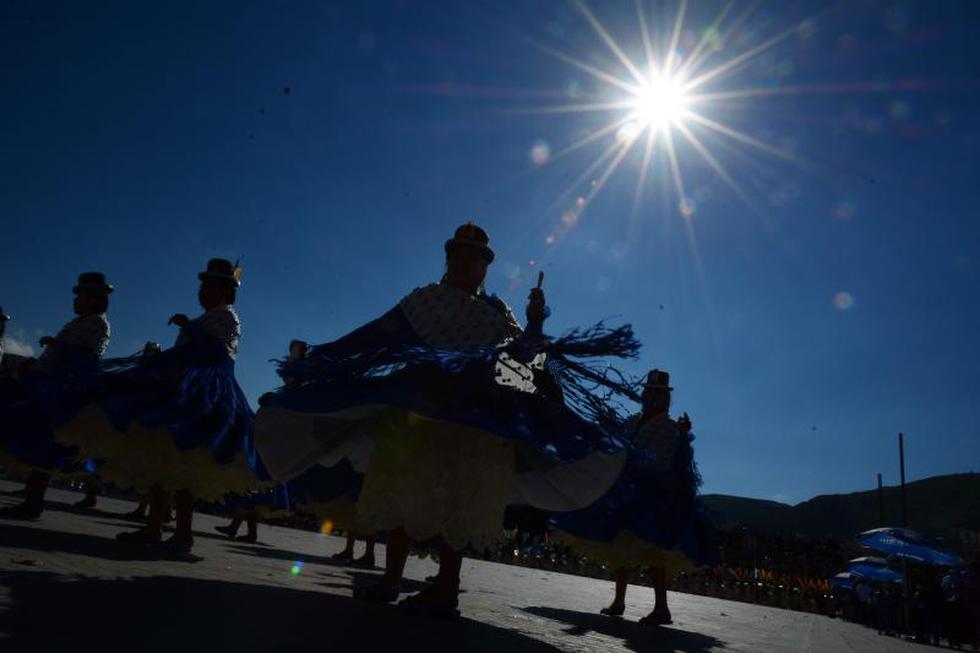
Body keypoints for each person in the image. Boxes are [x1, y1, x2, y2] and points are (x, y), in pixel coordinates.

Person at [256, 222, 634, 617]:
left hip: (477, 421)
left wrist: (535, 322)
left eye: (474, 258)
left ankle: (447, 587)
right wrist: (318, 361)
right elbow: (372, 336)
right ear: (448, 259)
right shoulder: (425, 301)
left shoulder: (495, 314)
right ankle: (391, 580)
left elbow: (523, 357)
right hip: (417, 412)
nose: (464, 263)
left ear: (485, 267)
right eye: (458, 256)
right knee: (403, 490)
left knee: (460, 496)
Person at [58, 259, 258, 552]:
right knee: (160, 456)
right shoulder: (205, 319)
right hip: (181, 388)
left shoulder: (228, 317)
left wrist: (189, 328)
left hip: (206, 394)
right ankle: (153, 527)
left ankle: (182, 534)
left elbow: (216, 355)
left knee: (186, 459)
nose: (202, 292)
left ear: (226, 292)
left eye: (209, 287)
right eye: (201, 287)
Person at [551, 370, 712, 626]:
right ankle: (619, 601)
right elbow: (615, 445)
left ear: (666, 399)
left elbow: (675, 463)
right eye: (650, 392)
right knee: (620, 545)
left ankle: (662, 608)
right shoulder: (631, 421)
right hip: (625, 491)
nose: (654, 398)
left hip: (654, 497)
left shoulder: (670, 429)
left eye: (659, 394)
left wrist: (683, 437)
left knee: (655, 551)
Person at [0, 273, 113, 519]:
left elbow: (88, 359)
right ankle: (32, 500)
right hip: (49, 386)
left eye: (80, 296)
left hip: (61, 392)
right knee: (38, 441)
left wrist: (59, 347)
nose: (75, 300)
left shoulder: (97, 324)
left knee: (43, 442)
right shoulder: (79, 322)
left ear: (93, 299)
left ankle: (33, 502)